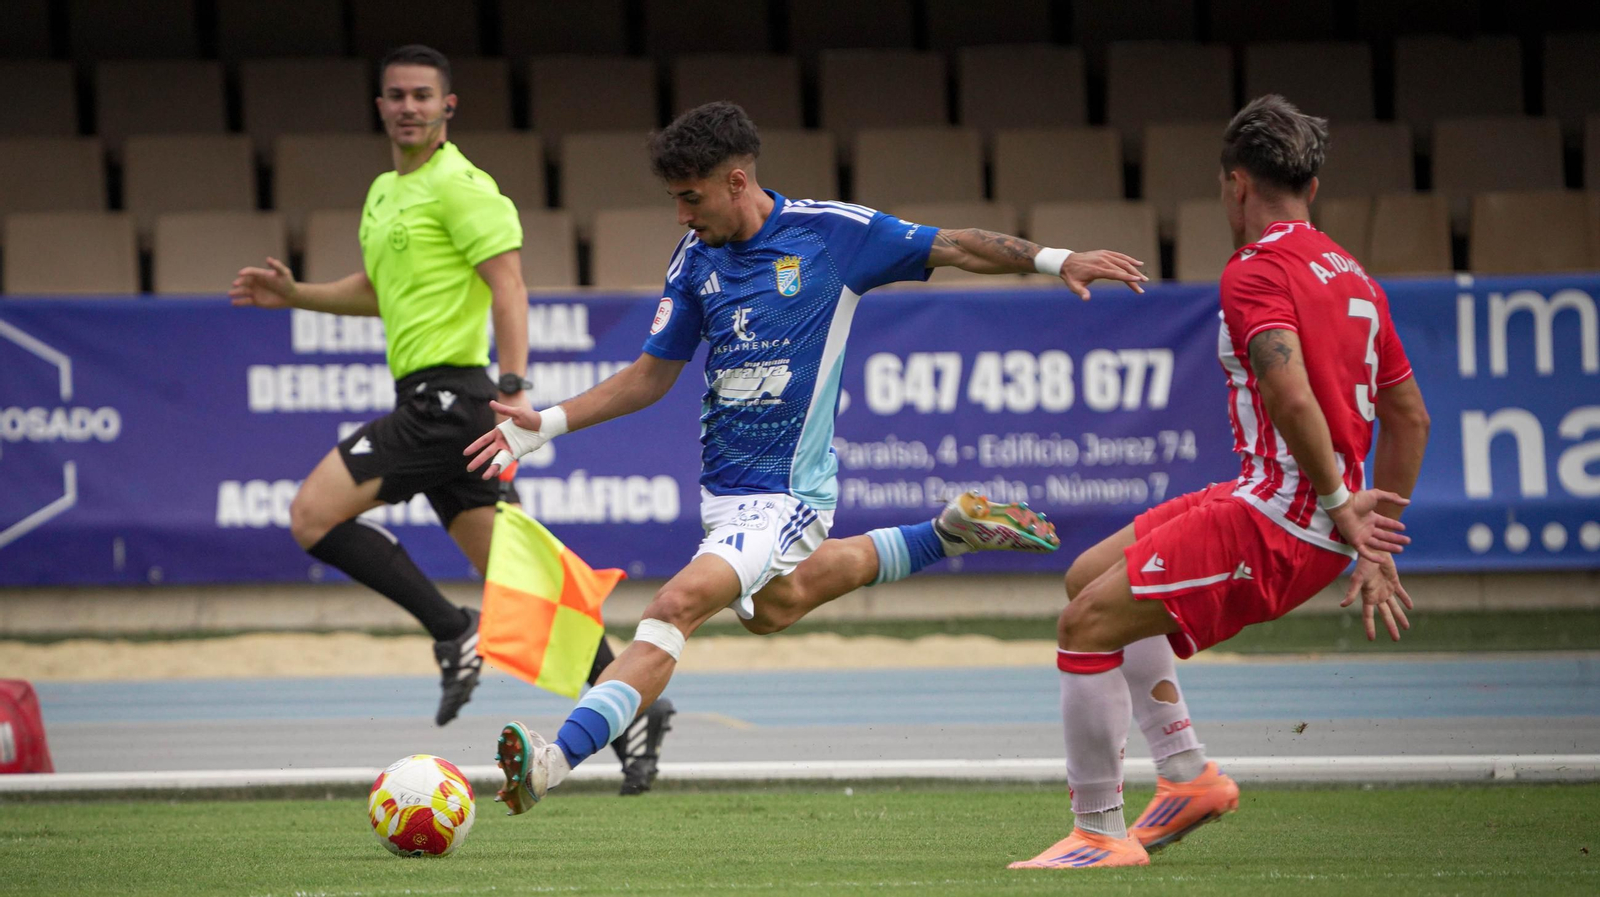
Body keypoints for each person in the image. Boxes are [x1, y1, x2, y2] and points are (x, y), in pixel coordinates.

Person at [461, 101, 1150, 814]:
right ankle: (947, 531)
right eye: (673, 199)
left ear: (735, 181)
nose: (680, 216)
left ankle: (554, 759)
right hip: (725, 496)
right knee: (774, 606)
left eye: (690, 198)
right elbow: (649, 374)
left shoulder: (832, 236)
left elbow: (955, 245)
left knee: (675, 605)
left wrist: (1057, 258)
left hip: (786, 492)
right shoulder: (696, 258)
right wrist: (546, 423)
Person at [227, 45, 673, 794]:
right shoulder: (383, 192)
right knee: (520, 581)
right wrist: (297, 293)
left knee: (311, 514)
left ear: (447, 106)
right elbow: (379, 291)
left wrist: (513, 385)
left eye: (422, 96)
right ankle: (628, 705)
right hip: (432, 404)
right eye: (395, 95)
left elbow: (511, 287)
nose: (407, 106)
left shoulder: (462, 186)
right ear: (381, 106)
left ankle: (451, 630)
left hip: (454, 401)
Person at [1009, 95, 1432, 870]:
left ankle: (1099, 832)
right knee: (1086, 581)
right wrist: (1374, 541)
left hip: (1285, 521)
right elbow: (1412, 417)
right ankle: (1187, 776)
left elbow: (1289, 392)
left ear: (1236, 185)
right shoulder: (1356, 276)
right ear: (1310, 184)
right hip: (1273, 498)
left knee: (1084, 628)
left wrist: (1341, 510)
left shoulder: (1255, 269)